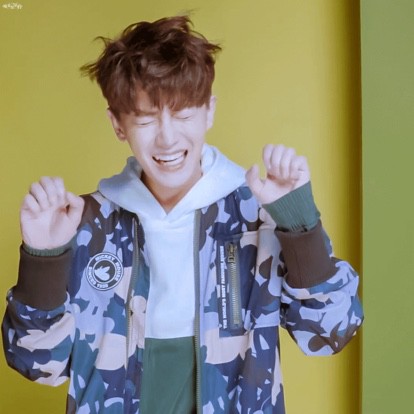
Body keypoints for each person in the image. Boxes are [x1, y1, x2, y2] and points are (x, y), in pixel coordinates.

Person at [2, 15, 363, 414]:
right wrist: (44, 259)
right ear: (118, 125)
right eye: (145, 119)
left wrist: (300, 225)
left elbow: (330, 332)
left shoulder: (256, 216)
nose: (168, 138)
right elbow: (37, 364)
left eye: (184, 114)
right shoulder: (86, 223)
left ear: (209, 111)